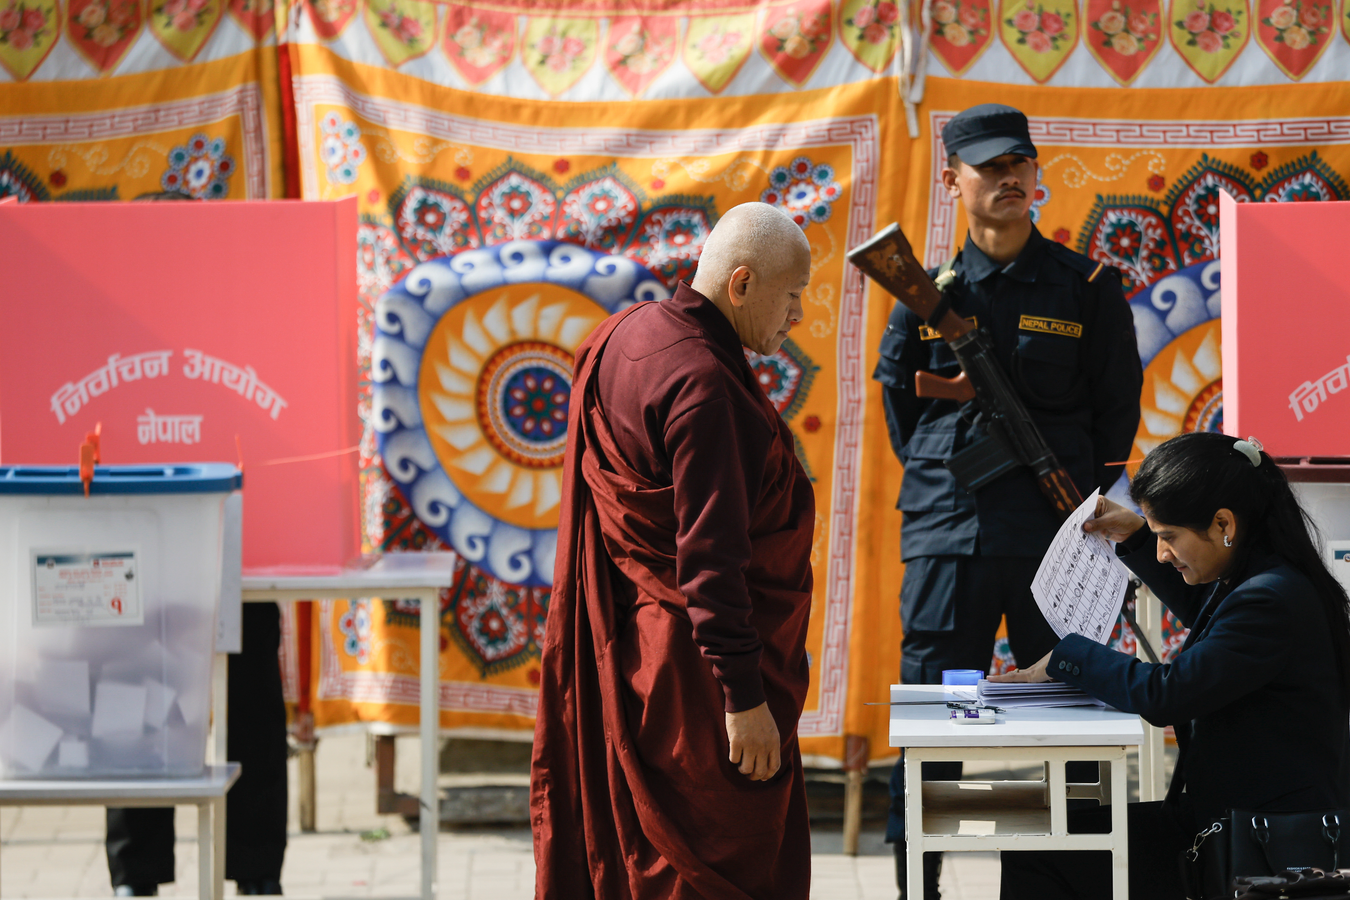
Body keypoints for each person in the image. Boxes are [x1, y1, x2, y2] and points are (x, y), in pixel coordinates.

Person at [871, 102, 1143, 897]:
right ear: (951, 178)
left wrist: (1070, 495)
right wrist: (952, 479)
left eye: (1018, 163)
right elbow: (902, 411)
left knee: (1069, 717)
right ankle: (920, 884)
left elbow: (1116, 412)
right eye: (988, 166)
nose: (1008, 177)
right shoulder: (923, 295)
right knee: (939, 717)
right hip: (948, 540)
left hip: (1053, 541)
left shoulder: (1086, 288)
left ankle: (1068, 885)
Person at [530, 202, 816, 898]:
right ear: (741, 284)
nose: (798, 315)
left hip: (636, 651)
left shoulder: (623, 333)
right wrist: (744, 699)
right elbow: (711, 563)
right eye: (791, 295)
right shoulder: (706, 388)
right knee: (715, 867)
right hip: (698, 685)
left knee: (640, 858)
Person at [991, 432, 1350, 898]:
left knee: (1041, 853)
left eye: (1168, 537)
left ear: (1223, 523)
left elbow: (1167, 694)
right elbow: (1208, 610)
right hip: (1226, 820)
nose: (1163, 553)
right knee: (1041, 844)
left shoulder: (1269, 600)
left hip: (1260, 843)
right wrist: (1136, 534)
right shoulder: (1266, 575)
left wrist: (1069, 655)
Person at [107, 603, 289, 896]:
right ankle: (135, 870)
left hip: (240, 582)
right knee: (140, 675)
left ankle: (256, 869)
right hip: (148, 585)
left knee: (251, 677)